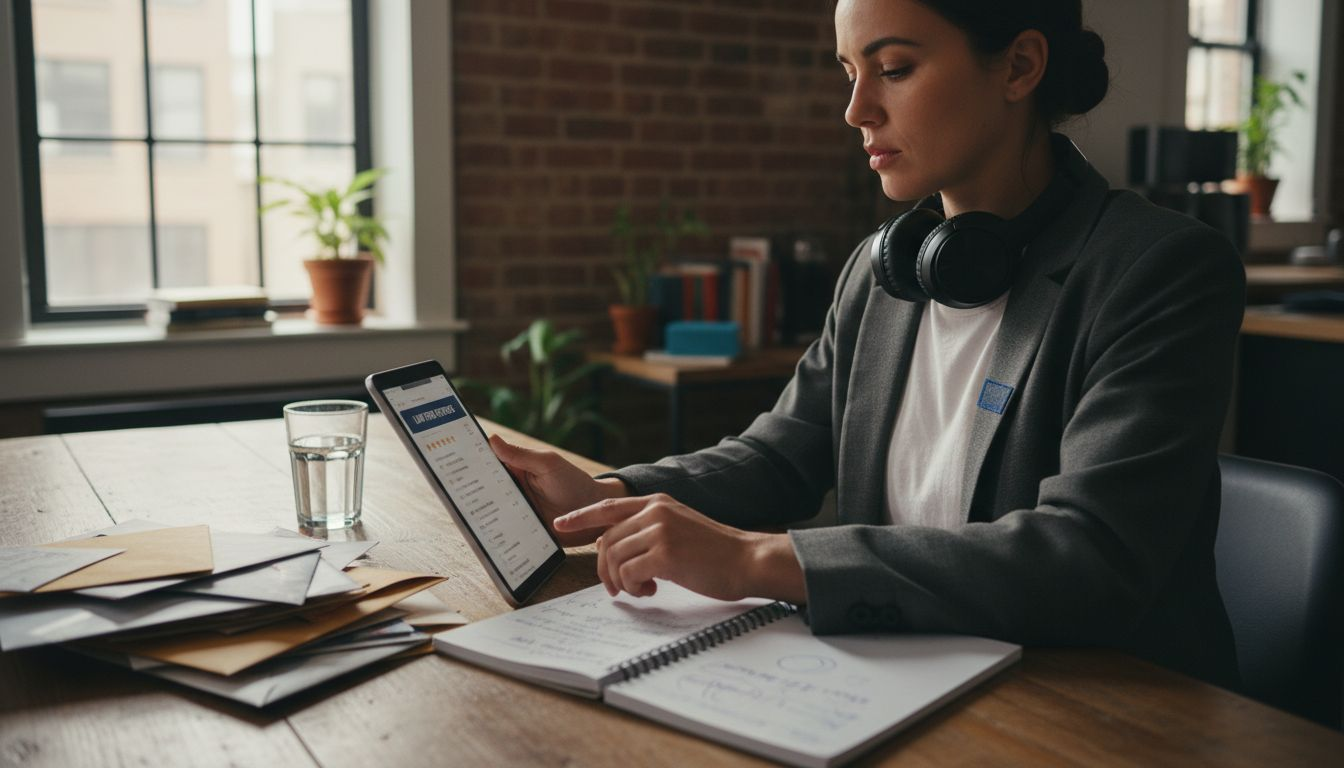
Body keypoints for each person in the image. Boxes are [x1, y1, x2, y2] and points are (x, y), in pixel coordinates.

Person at [490, 0, 1244, 688]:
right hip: (905, 677)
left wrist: (757, 559)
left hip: (1102, 706)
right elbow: (780, 456)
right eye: (850, 74)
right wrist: (609, 499)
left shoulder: (1159, 270)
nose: (856, 111)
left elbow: (1089, 557)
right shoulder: (881, 271)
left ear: (1019, 66)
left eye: (894, 69)